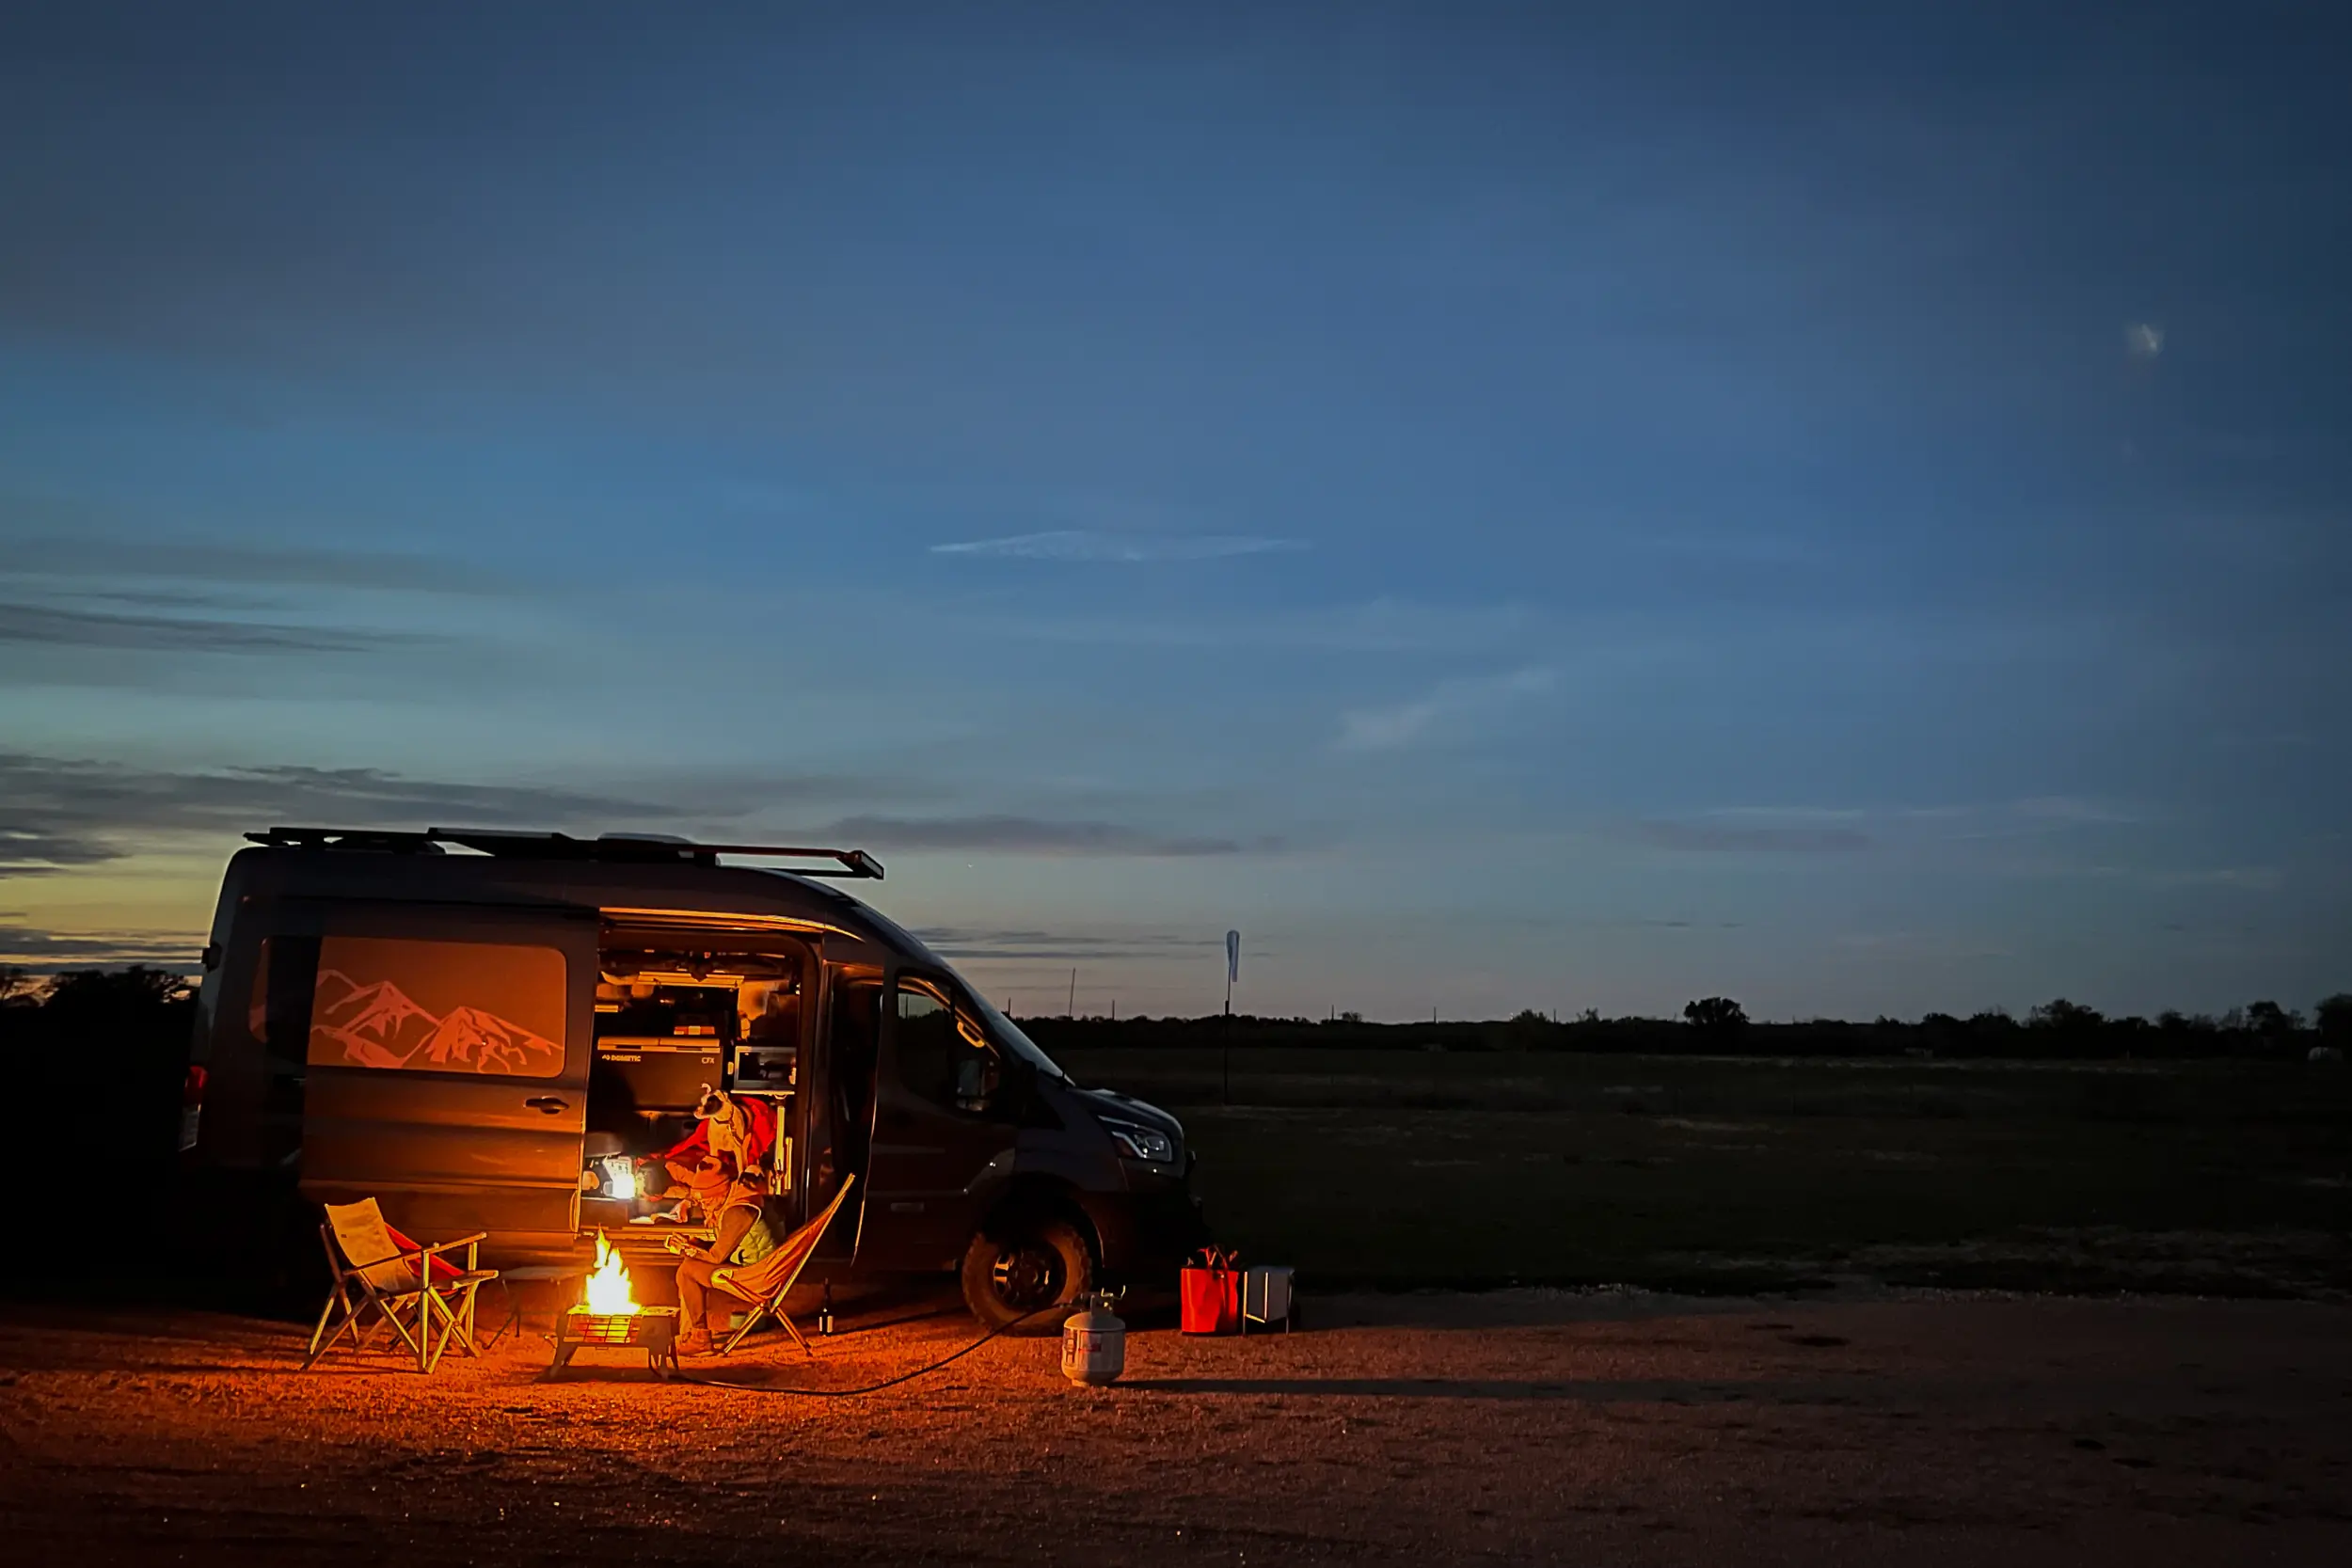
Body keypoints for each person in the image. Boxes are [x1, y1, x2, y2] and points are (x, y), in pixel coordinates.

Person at [668, 1165, 787, 1355]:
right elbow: (727, 1244)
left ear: (717, 1195)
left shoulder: (737, 1211)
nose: (703, 1207)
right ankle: (693, 1334)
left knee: (687, 1272)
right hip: (761, 1267)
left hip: (760, 1276)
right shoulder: (738, 1200)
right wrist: (695, 1243)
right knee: (689, 1267)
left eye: (704, 1202)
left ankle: (699, 1338)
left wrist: (687, 1249)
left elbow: (717, 1256)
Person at [641, 1086, 776, 1224]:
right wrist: (689, 1202)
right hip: (720, 1161)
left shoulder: (676, 1168)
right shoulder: (669, 1172)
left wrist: (692, 1201)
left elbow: (709, 1183)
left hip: (727, 1151)